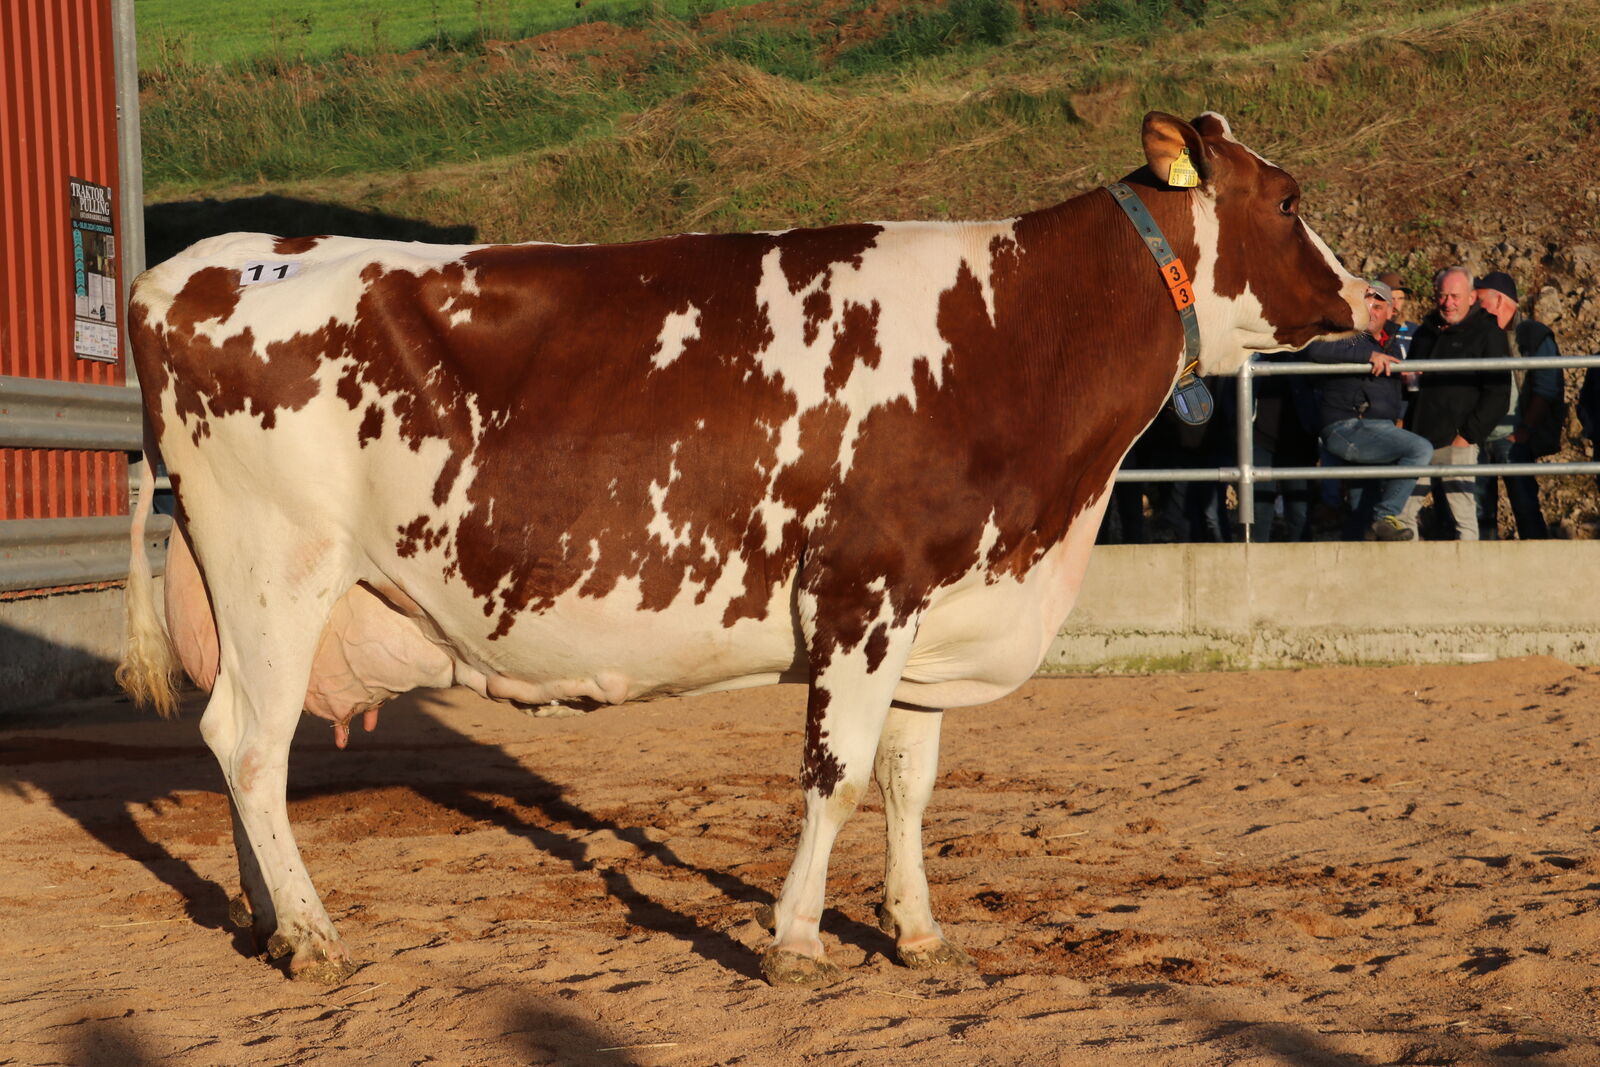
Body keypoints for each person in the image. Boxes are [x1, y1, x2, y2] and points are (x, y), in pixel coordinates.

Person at [1302, 281, 1433, 541]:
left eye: (1378, 305)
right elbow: (1315, 348)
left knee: (1362, 507)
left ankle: (1362, 558)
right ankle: (1386, 515)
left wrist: (1405, 380)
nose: (1371, 311)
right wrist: (1369, 356)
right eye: (1366, 305)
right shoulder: (1344, 335)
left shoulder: (1393, 343)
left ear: (1390, 311)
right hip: (1347, 427)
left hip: (1379, 430)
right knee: (1420, 449)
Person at [1399, 266, 1511, 540]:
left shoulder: (1488, 334)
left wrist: (1467, 435)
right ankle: (1406, 574)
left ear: (1472, 297)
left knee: (1463, 515)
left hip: (1457, 439)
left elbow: (1498, 393)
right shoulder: (1425, 332)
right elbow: (1411, 382)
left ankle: (1470, 578)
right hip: (1420, 439)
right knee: (1403, 512)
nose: (1448, 303)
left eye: (1455, 296)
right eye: (1442, 295)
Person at [1471, 270, 1563, 539]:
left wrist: (1524, 432)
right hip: (1477, 436)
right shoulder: (1477, 334)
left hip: (1513, 436)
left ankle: (1539, 572)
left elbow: (1546, 389)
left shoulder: (1533, 335)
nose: (1475, 306)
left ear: (1499, 301)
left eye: (1480, 300)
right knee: (1479, 513)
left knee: (1525, 507)